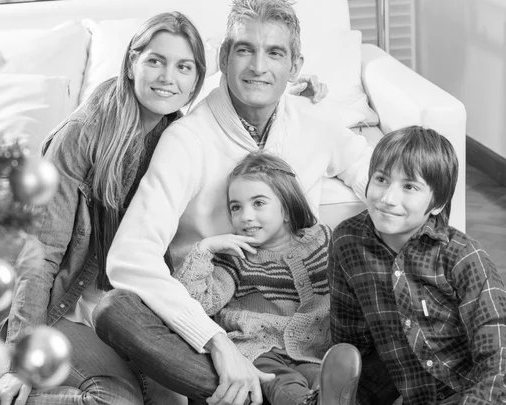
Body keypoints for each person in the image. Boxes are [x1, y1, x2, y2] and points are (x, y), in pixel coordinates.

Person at [93, 1, 373, 404]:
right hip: (211, 323)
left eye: (275, 53)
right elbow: (129, 257)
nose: (258, 66)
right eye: (245, 49)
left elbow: (371, 173)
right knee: (114, 310)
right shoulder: (187, 139)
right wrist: (216, 342)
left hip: (301, 329)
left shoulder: (313, 122)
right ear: (223, 57)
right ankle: (261, 388)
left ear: (294, 66)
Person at [0, 11, 208, 405]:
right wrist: (22, 360)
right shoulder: (81, 136)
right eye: (155, 60)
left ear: (195, 80)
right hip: (65, 305)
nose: (166, 77)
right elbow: (41, 254)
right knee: (117, 399)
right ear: (131, 63)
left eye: (183, 66)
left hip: (124, 311)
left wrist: (295, 94)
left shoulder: (178, 139)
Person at [328, 125, 506, 405]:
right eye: (381, 179)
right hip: (403, 388)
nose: (387, 199)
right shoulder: (346, 241)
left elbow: (498, 353)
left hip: (467, 392)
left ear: (437, 203)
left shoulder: (463, 256)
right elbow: (351, 339)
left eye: (409, 186)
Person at [173, 151, 362, 405]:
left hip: (311, 352)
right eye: (236, 207)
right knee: (282, 382)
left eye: (258, 203)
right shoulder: (235, 256)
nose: (246, 216)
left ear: (286, 208)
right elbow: (198, 304)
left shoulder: (323, 240)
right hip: (258, 348)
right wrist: (205, 249)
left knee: (322, 379)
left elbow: (352, 283)